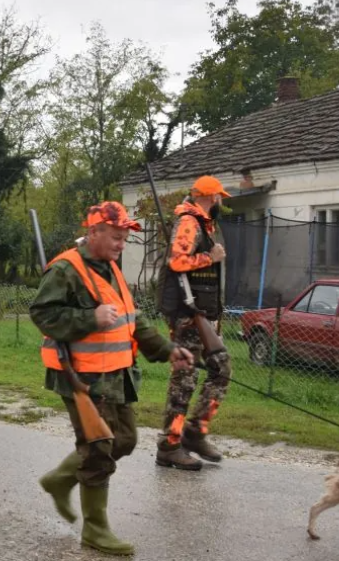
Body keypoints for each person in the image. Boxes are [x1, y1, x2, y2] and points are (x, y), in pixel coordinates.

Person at [29, 201, 193, 555]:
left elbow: (133, 321)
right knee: (99, 451)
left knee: (125, 440)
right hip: (82, 376)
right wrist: (90, 318)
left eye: (124, 238)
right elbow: (42, 313)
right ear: (94, 232)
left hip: (116, 374)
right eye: (116, 236)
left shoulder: (110, 269)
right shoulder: (66, 269)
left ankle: (60, 479)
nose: (122, 243)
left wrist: (168, 350)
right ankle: (95, 531)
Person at [155, 175, 231, 471]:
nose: (221, 202)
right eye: (219, 198)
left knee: (220, 370)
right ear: (211, 198)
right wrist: (209, 257)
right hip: (187, 316)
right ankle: (170, 444)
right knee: (184, 381)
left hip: (200, 315)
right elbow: (177, 262)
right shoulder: (189, 221)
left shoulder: (203, 224)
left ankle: (195, 431)